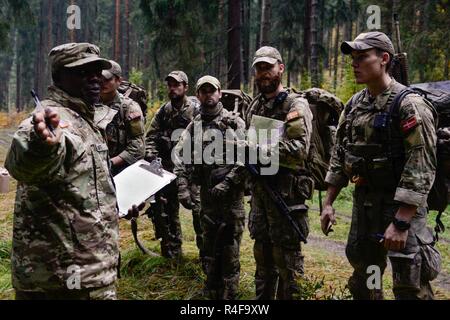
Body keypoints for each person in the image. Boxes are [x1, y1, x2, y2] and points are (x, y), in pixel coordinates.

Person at [321, 31, 440, 300]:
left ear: (384, 59)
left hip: (400, 210)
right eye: (353, 58)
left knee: (409, 284)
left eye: (362, 57)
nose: (354, 63)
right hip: (365, 206)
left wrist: (401, 221)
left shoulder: (409, 105)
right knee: (365, 279)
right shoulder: (354, 105)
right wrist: (328, 203)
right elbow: (340, 155)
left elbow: (421, 165)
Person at [5, 43, 121, 300]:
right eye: (82, 72)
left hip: (88, 273)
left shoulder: (86, 119)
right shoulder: (56, 119)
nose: (94, 79)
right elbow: (27, 161)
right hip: (61, 282)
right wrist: (41, 144)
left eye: (96, 71)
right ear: (59, 78)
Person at [244, 46, 314, 300]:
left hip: (286, 197)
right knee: (262, 262)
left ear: (280, 69)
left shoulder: (296, 105)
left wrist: (253, 149)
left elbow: (298, 150)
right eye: (259, 68)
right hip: (261, 197)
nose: (263, 73)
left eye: (268, 67)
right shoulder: (255, 106)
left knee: (289, 267)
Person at [174, 76, 246, 300]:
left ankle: (230, 296)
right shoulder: (194, 125)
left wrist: (228, 182)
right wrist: (183, 187)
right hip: (206, 198)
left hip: (231, 199)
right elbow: (179, 155)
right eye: (203, 91)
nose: (208, 95)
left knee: (230, 250)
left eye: (212, 91)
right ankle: (211, 293)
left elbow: (247, 157)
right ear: (198, 95)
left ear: (220, 93)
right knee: (208, 248)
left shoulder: (234, 122)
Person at [145, 71, 200, 259]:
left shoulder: (196, 110)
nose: (172, 88)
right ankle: (172, 255)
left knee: (199, 212)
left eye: (177, 85)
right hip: (167, 171)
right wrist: (153, 158)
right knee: (168, 213)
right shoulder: (163, 111)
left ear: (185, 87)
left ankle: (206, 254)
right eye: (170, 85)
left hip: (192, 171)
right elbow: (151, 136)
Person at [99, 60, 145, 175]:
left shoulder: (129, 108)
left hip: (120, 171)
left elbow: (138, 148)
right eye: (100, 79)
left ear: (118, 81)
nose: (102, 83)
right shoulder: (90, 105)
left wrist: (111, 162)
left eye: (108, 79)